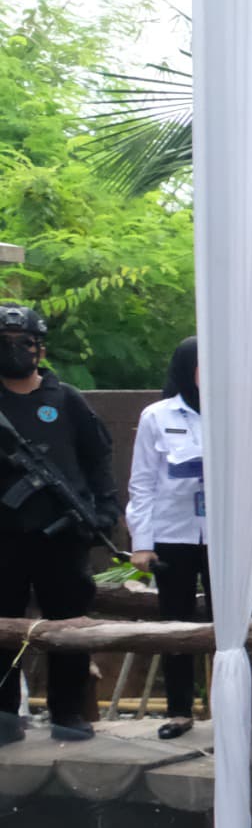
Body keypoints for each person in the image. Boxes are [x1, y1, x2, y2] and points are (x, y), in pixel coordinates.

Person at [0, 303, 115, 744]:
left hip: (61, 534)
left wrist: (105, 509)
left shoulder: (65, 399)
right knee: (3, 625)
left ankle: (68, 711)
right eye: (4, 343)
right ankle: (3, 713)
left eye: (24, 343)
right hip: (4, 538)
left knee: (68, 625)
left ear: (40, 349)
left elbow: (97, 458)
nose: (14, 350)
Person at [128, 338, 213, 738]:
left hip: (221, 534)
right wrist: (142, 543)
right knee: (175, 622)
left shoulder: (231, 413)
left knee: (230, 622)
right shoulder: (156, 416)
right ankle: (179, 709)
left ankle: (234, 706)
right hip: (172, 533)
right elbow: (142, 483)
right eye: (201, 364)